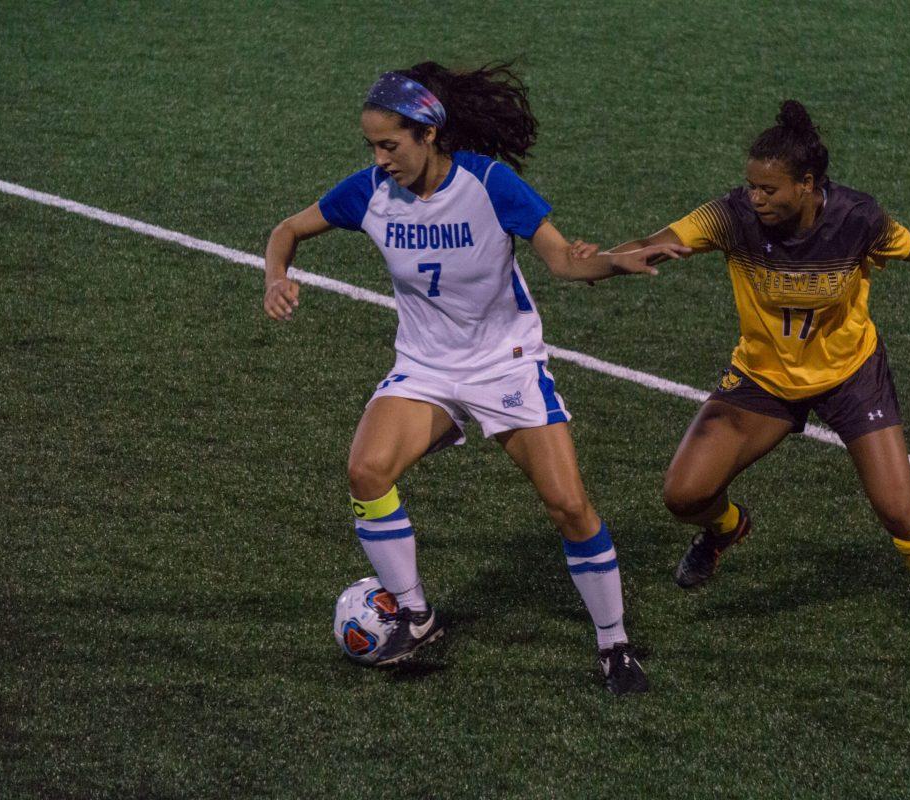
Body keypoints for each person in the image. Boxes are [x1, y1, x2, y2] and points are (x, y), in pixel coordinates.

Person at [262, 62, 686, 695]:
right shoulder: (369, 192)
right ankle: (415, 616)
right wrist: (276, 275)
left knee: (569, 505)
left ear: (429, 133)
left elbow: (562, 261)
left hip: (502, 364)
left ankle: (614, 643)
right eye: (371, 147)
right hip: (425, 368)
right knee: (366, 470)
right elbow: (288, 231)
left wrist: (614, 263)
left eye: (390, 145)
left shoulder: (490, 184)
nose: (380, 160)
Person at [590, 100, 910, 683]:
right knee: (683, 494)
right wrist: (600, 260)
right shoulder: (731, 217)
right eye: (751, 186)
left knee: (899, 510)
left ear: (807, 186)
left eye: (770, 189)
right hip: (763, 379)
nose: (756, 198)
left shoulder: (856, 218)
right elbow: (657, 241)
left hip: (851, 375)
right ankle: (726, 527)